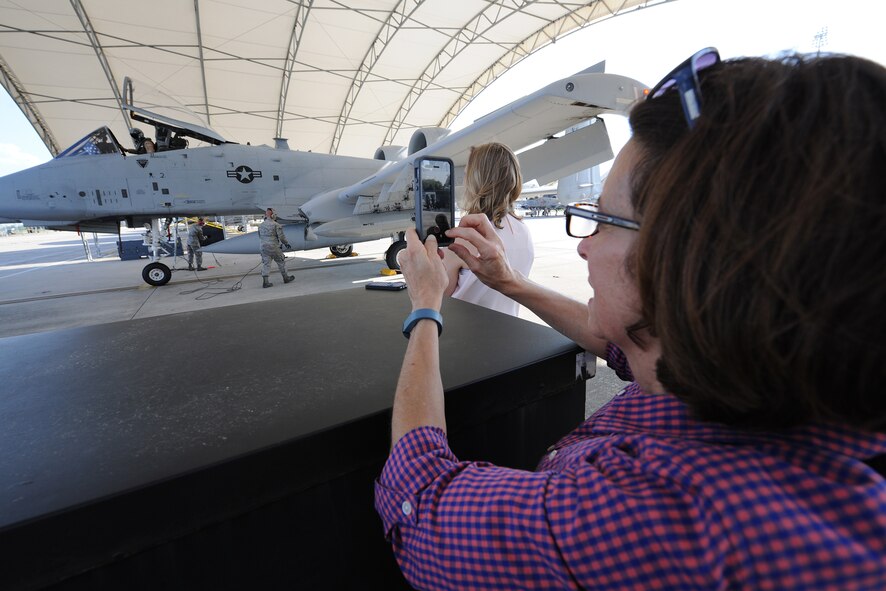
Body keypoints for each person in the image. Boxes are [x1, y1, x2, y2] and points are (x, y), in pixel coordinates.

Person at [375, 50, 886, 590]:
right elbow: (621, 343)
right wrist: (509, 281)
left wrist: (426, 306)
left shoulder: (660, 516)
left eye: (602, 221)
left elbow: (422, 501)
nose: (585, 249)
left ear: (689, 262)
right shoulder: (770, 375)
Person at [441, 142, 534, 316]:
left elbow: (439, 296)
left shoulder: (467, 236)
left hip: (468, 336)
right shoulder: (523, 229)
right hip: (509, 330)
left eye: (467, 174)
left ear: (476, 181)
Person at [258, 208, 294, 288]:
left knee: (266, 264)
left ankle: (265, 282)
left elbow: (260, 236)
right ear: (273, 215)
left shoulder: (260, 225)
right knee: (281, 261)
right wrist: (286, 243)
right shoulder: (276, 225)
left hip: (263, 247)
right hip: (274, 247)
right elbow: (281, 237)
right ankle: (286, 278)